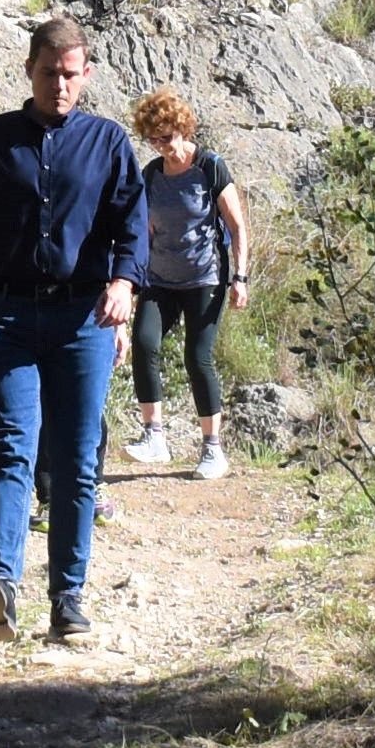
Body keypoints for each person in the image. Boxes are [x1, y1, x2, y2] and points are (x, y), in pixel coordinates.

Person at [0, 12, 144, 644]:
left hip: (82, 320)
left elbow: (131, 226)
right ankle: (0, 587)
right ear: (28, 70)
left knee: (76, 459)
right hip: (6, 317)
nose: (59, 85)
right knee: (12, 448)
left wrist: (124, 283)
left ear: (86, 75)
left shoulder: (108, 143)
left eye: (69, 74)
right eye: (48, 73)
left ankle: (68, 598)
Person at [120, 85, 251, 480]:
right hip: (160, 278)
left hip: (204, 277)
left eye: (167, 137)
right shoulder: (151, 174)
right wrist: (132, 282)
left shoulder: (209, 167)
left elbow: (237, 226)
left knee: (198, 356)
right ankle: (154, 437)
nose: (163, 146)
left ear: (182, 129)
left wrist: (240, 277)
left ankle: (212, 449)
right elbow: (144, 232)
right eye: (154, 140)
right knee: (145, 343)